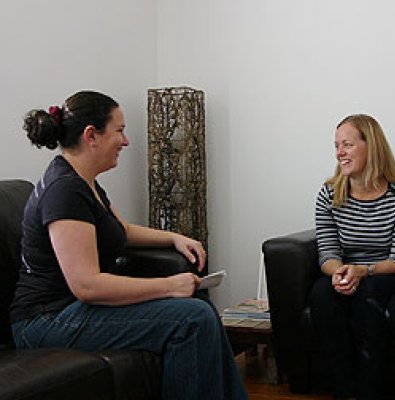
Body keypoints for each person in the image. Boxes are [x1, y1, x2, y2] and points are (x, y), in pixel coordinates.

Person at [10, 90, 248, 400]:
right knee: (192, 319)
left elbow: (119, 230)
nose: (126, 141)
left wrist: (174, 237)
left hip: (71, 310)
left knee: (200, 308)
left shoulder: (84, 182)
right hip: (46, 320)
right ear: (91, 135)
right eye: (119, 130)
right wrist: (168, 285)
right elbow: (87, 285)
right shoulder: (64, 191)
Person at [310, 114, 395, 400]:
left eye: (347, 144)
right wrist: (339, 272)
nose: (339, 153)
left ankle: (369, 391)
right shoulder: (329, 194)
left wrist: (364, 271)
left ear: (370, 146)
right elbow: (327, 252)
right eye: (336, 146)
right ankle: (343, 390)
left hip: (387, 273)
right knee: (322, 294)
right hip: (348, 269)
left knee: (369, 293)